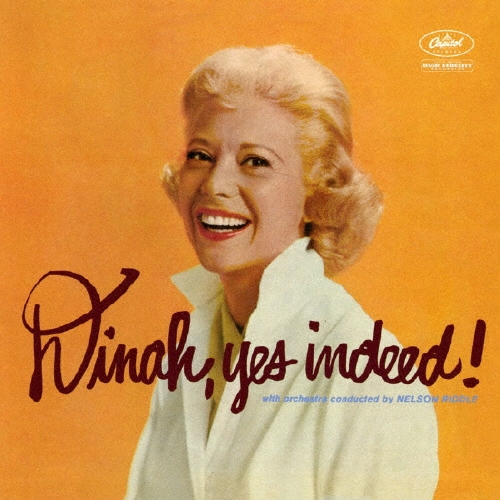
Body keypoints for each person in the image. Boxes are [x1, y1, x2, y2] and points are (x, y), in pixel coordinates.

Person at [125, 45, 438, 500]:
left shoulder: (371, 376)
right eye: (200, 155)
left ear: (317, 192)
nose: (215, 184)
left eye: (256, 161)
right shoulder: (187, 355)